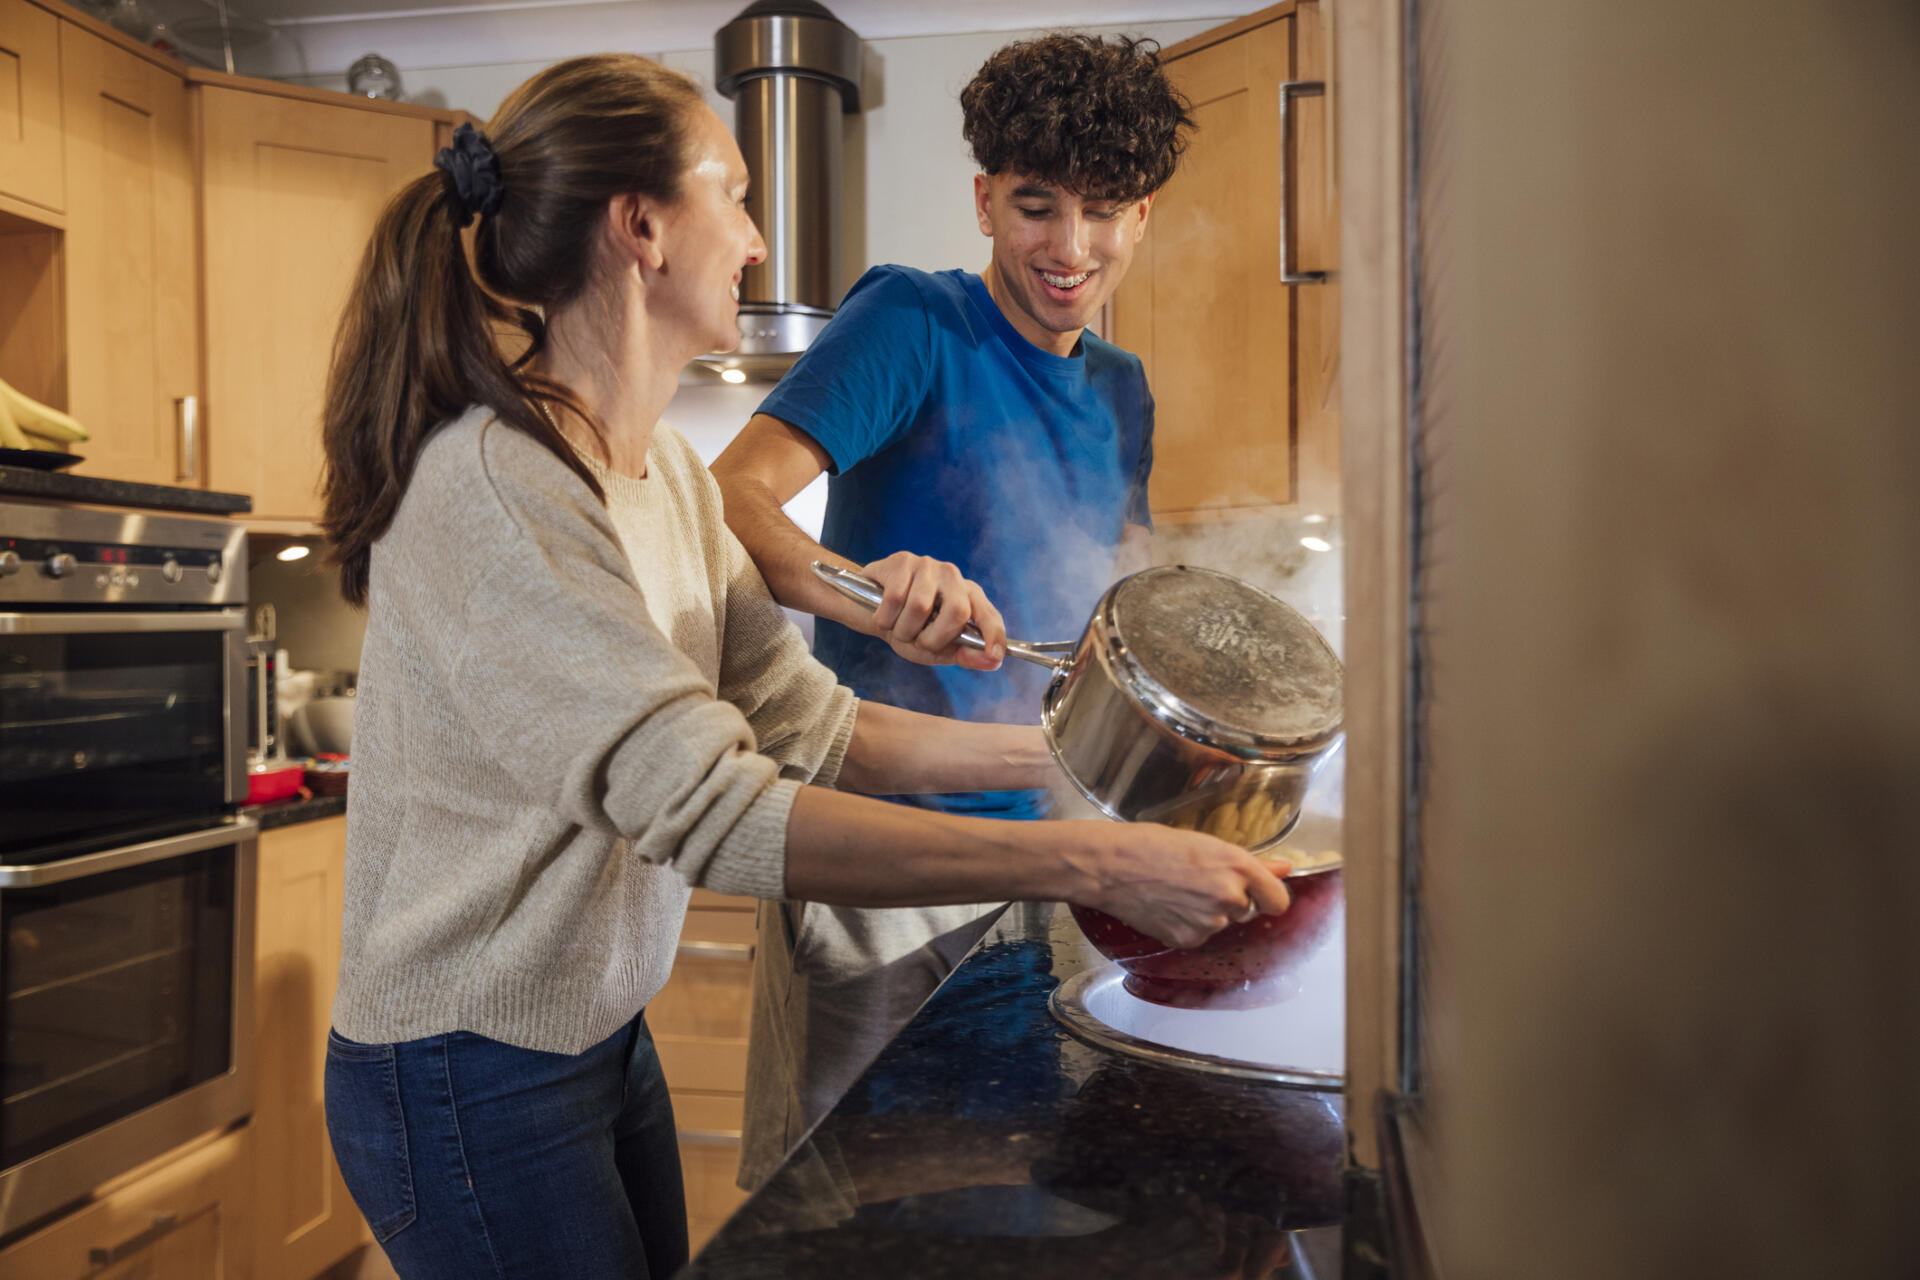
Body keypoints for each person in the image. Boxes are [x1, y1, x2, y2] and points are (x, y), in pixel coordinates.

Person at [316, 53, 1283, 1280]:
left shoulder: (657, 470)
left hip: (592, 1036)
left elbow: (812, 723)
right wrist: (1096, 850)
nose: (763, 243)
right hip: (461, 1066)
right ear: (643, 228)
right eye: (736, 193)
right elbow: (712, 805)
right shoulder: (498, 487)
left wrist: (1114, 770)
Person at [709, 33, 1193, 1188]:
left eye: (1105, 209)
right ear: (985, 201)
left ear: (1145, 218)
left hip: (1060, 849)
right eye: (1037, 206)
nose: (1070, 248)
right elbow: (724, 499)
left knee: (1010, 1188)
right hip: (886, 858)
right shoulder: (913, 322)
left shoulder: (1124, 389)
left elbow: (1110, 606)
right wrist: (871, 596)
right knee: (842, 1200)